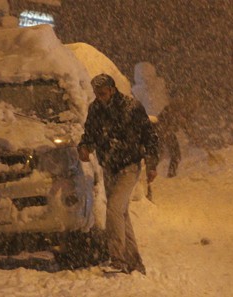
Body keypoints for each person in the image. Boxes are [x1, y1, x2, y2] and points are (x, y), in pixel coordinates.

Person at [77, 74, 159, 274]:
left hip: (129, 167)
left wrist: (151, 164)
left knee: (113, 208)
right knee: (121, 213)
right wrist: (85, 146)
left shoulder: (132, 107)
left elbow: (149, 136)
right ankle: (134, 262)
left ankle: (117, 258)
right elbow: (90, 133)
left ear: (112, 89)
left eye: (103, 93)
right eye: (96, 93)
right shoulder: (95, 109)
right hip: (109, 166)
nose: (99, 97)